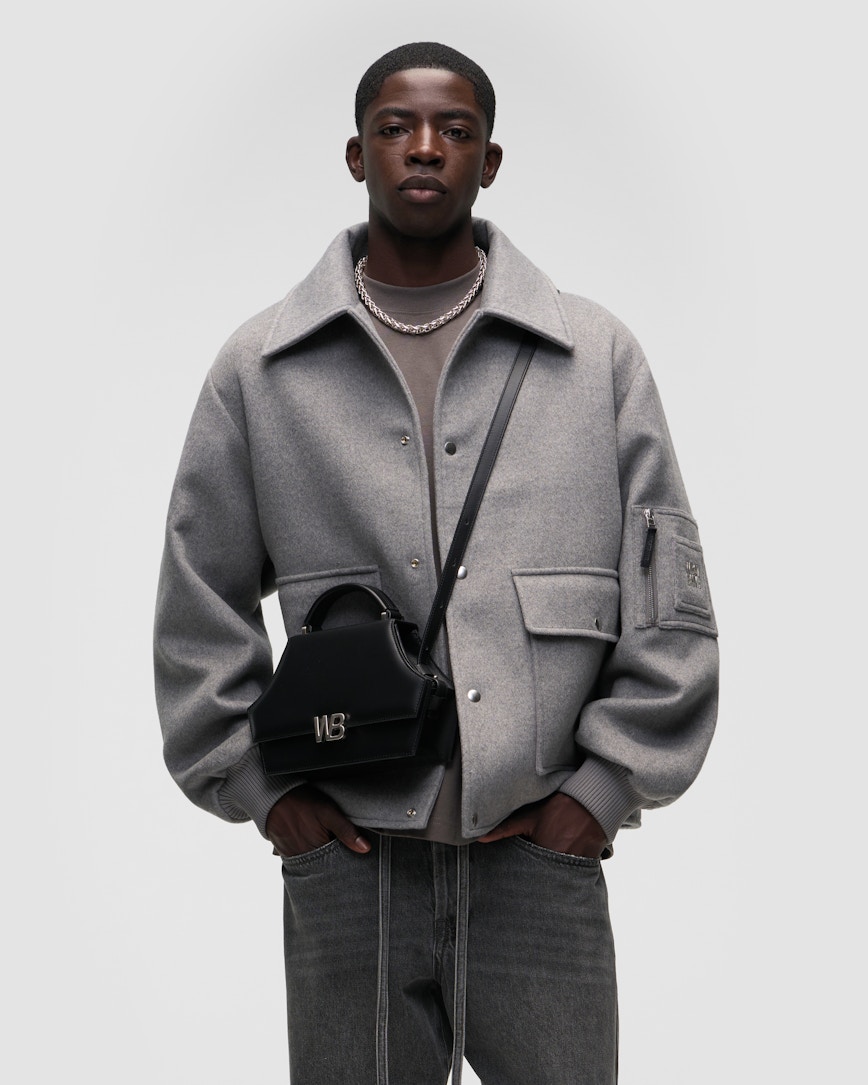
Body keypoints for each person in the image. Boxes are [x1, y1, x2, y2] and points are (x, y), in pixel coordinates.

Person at [155, 41, 719, 1085]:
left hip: (540, 857)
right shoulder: (260, 368)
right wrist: (263, 787)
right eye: (396, 128)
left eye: (454, 131)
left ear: (489, 161)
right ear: (355, 154)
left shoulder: (596, 356)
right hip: (350, 866)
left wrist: (599, 792)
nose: (424, 147)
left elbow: (669, 600)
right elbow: (198, 600)